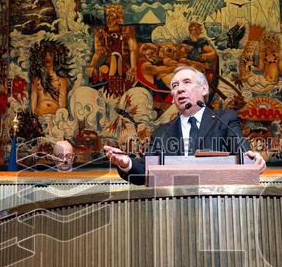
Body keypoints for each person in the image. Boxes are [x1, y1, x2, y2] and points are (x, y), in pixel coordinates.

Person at [102, 65, 266, 186]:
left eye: (186, 82)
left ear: (204, 89)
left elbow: (240, 149)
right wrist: (126, 163)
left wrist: (252, 158)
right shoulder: (162, 132)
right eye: (174, 86)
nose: (180, 89)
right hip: (174, 209)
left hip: (219, 204)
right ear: (172, 97)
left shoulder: (225, 119)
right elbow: (146, 171)